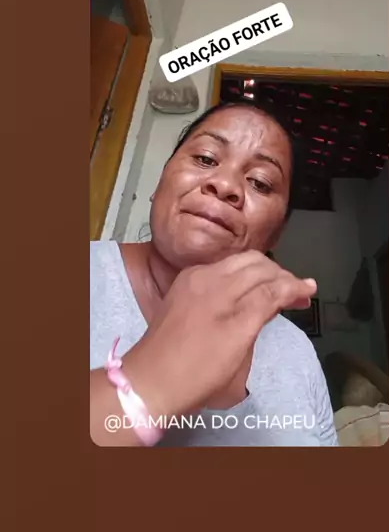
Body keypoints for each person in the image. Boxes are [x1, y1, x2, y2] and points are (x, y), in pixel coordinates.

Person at [90, 100, 338, 446]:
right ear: (160, 184)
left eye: (260, 182)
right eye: (206, 159)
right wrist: (148, 382)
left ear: (277, 233)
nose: (224, 184)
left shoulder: (296, 352)